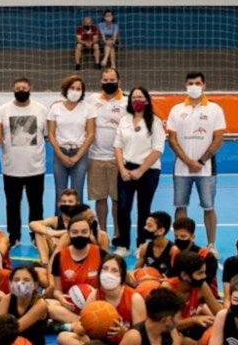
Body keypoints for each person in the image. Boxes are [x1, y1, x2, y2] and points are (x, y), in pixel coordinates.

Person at [166, 72, 226, 256]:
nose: (194, 86)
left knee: (208, 207)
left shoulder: (215, 109)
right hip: (181, 168)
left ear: (204, 85)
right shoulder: (176, 110)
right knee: (180, 206)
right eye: (190, 83)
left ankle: (210, 244)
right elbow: (172, 139)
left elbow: (218, 139)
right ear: (185, 85)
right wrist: (188, 161)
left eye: (197, 83)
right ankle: (181, 242)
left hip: (206, 169)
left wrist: (200, 161)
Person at [61, 254, 146, 345]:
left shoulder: (134, 298)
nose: (108, 274)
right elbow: (79, 327)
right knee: (63, 337)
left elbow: (141, 338)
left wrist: (125, 333)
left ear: (122, 276)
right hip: (97, 344)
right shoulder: (94, 295)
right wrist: (84, 326)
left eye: (114, 270)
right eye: (105, 269)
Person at [114, 87, 165, 254]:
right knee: (122, 207)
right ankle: (123, 244)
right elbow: (118, 146)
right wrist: (122, 168)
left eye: (140, 97)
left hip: (148, 171)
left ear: (147, 100)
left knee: (144, 209)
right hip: (126, 169)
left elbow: (158, 149)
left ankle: (142, 244)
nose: (137, 100)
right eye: (134, 97)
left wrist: (141, 170)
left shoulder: (155, 122)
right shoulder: (124, 120)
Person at [0, 77, 47, 247]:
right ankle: (14, 235)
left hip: (35, 168)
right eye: (18, 87)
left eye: (24, 87)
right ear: (13, 89)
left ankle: (37, 235)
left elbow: (46, 135)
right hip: (11, 168)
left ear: (30, 88)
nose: (21, 90)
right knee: (12, 205)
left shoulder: (41, 109)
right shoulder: (3, 110)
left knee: (36, 205)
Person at [85, 68, 126, 247]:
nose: (108, 82)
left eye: (112, 79)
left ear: (119, 81)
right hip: (96, 157)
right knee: (100, 199)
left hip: (118, 159)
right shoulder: (92, 100)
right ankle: (102, 232)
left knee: (117, 200)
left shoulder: (126, 102)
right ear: (101, 81)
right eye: (105, 79)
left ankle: (117, 232)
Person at [0, 265, 53, 345]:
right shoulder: (6, 300)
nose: (21, 284)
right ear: (10, 284)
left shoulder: (40, 304)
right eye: (16, 280)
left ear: (35, 285)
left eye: (26, 280)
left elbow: (16, 328)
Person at [162, 250, 222, 345]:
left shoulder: (201, 286)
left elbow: (220, 313)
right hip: (170, 333)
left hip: (189, 329)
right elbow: (164, 326)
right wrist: (194, 320)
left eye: (204, 272)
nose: (204, 277)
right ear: (184, 275)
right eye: (200, 273)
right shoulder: (167, 290)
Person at [48, 75, 93, 206]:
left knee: (77, 192)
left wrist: (78, 156)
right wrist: (60, 155)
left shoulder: (88, 108)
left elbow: (91, 134)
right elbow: (51, 134)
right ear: (66, 89)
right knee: (60, 192)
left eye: (78, 89)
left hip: (80, 153)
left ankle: (77, 224)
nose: (75, 91)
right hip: (60, 153)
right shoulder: (55, 108)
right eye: (72, 88)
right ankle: (60, 224)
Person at [170, 216, 220, 298]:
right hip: (181, 295)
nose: (178, 239)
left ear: (192, 237)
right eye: (176, 236)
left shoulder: (207, 256)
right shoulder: (175, 253)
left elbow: (204, 283)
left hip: (205, 298)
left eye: (183, 236)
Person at [29, 188, 79, 266]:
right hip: (56, 251)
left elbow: (72, 231)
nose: (67, 204)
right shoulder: (55, 220)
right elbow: (32, 224)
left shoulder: (81, 220)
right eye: (64, 201)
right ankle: (44, 263)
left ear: (77, 204)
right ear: (59, 204)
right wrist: (47, 232)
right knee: (39, 232)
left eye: (70, 202)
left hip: (74, 252)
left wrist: (55, 234)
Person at [134, 211, 175, 278]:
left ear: (161, 231)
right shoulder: (145, 248)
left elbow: (174, 277)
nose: (145, 228)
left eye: (149, 226)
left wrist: (155, 279)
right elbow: (136, 271)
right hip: (148, 280)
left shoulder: (173, 250)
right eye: (146, 225)